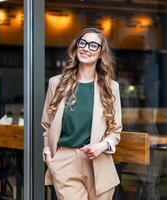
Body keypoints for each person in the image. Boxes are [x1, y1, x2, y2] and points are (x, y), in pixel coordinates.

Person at [41, 27, 122, 200]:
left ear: (101, 53)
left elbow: (115, 130)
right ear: (76, 47)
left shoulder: (111, 87)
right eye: (83, 43)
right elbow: (47, 124)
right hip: (65, 161)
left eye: (94, 45)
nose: (86, 48)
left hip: (99, 162)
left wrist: (102, 145)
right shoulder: (56, 83)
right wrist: (49, 155)